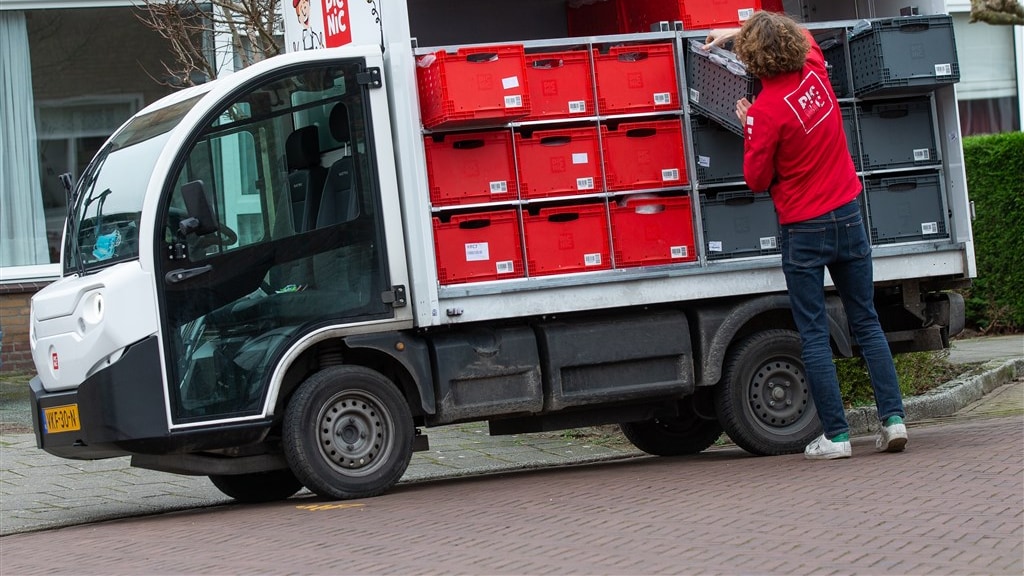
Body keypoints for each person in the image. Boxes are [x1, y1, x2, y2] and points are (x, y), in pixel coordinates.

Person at [704, 11, 908, 460]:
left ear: (753, 61)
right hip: (849, 215)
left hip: (804, 229)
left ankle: (836, 436)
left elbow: (757, 179)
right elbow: (803, 32)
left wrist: (748, 127)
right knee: (867, 321)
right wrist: (742, 30)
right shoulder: (815, 71)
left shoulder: (763, 112)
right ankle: (893, 419)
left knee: (814, 333)